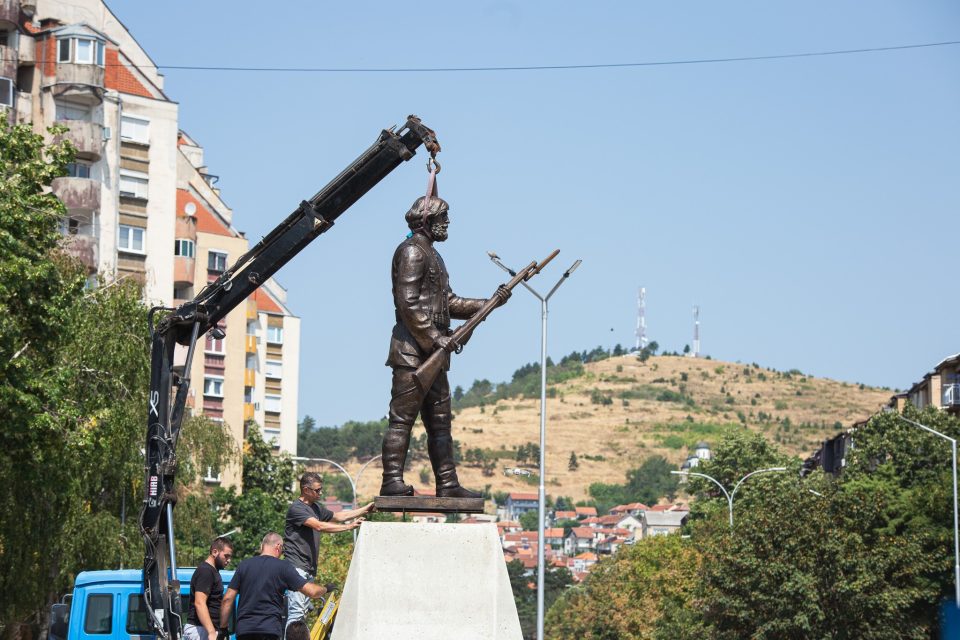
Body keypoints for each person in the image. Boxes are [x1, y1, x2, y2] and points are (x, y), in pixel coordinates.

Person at [380, 195, 508, 498]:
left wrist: (488, 303)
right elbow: (408, 303)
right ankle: (391, 480)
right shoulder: (413, 252)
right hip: (413, 352)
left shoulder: (433, 255)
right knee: (402, 421)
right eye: (442, 218)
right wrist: (437, 339)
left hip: (435, 353)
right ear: (427, 220)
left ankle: (448, 483)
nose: (447, 223)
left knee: (440, 424)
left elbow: (447, 302)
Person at [284, 472, 372, 626]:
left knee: (302, 613)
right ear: (306, 490)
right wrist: (350, 527)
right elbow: (319, 526)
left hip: (308, 568)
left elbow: (339, 516)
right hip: (296, 567)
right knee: (296, 613)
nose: (321, 493)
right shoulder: (297, 509)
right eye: (317, 490)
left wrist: (365, 509)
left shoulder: (316, 508)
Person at [219, 533, 334, 640]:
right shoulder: (283, 567)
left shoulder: (244, 566)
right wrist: (326, 588)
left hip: (245, 631)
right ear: (278, 546)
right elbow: (311, 591)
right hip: (269, 630)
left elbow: (227, 599)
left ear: (262, 546)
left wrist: (223, 628)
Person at [184, 537, 233, 640]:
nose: (229, 560)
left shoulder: (213, 571)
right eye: (226, 556)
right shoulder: (206, 571)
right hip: (201, 630)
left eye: (230, 557)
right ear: (215, 552)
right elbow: (199, 603)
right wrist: (211, 632)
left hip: (206, 630)